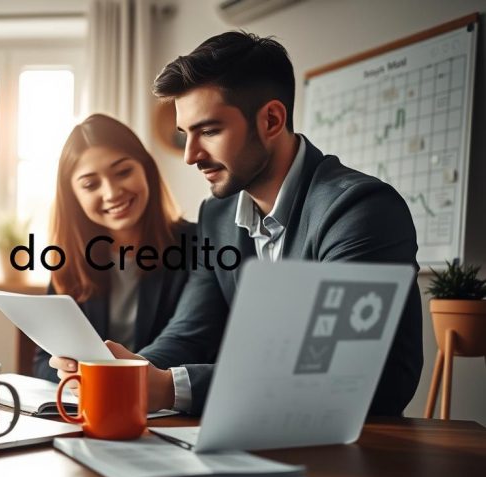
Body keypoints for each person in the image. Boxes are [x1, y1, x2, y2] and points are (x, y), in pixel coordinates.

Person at [50, 32, 423, 417]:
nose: (191, 155)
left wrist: (166, 388)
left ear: (272, 120)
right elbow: (191, 331)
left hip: (358, 440)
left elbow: (340, 371)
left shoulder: (358, 210)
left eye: (209, 131)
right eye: (186, 134)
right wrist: (123, 372)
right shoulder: (218, 216)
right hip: (255, 427)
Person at [32, 113, 196, 382]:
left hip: (167, 409)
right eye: (90, 184)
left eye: (123, 172)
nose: (111, 193)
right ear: (74, 197)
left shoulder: (196, 244)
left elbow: (194, 343)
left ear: (146, 169)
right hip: (93, 407)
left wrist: (119, 376)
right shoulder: (70, 260)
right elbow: (42, 361)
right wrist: (62, 369)